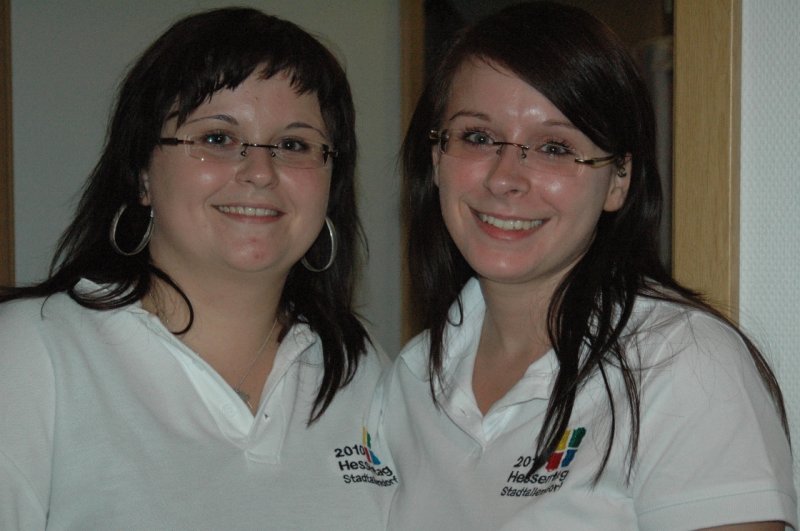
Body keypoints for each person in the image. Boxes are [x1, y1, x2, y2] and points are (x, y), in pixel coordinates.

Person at [371, 2, 796, 529]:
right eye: (477, 137)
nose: (505, 178)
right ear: (436, 158)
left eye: (554, 147)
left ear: (618, 179)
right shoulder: (410, 380)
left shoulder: (683, 364)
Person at [0, 8, 395, 529]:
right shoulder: (32, 353)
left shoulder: (363, 370)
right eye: (217, 139)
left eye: (293, 145)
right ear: (142, 173)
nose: (260, 171)